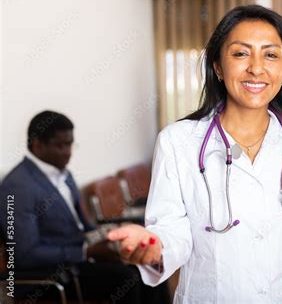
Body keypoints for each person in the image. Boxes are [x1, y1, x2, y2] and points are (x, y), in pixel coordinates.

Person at [108, 5, 282, 303]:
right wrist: (155, 247)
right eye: (240, 53)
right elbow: (172, 230)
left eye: (271, 55)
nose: (256, 67)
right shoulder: (178, 141)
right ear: (217, 67)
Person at [0, 110, 169, 303]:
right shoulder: (17, 186)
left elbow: (83, 226)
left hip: (81, 256)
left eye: (70, 144)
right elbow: (25, 253)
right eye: (60, 145)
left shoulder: (64, 175)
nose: (68, 152)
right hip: (54, 273)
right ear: (37, 145)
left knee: (148, 266)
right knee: (127, 277)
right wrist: (86, 252)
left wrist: (108, 240)